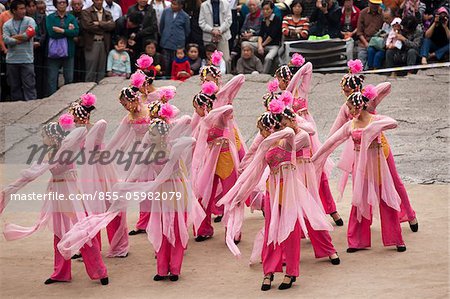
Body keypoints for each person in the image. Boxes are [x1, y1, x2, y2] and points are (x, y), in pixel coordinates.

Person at [0, 118, 109, 285]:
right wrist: (8, 190)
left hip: (72, 194)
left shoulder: (68, 149)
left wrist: (63, 139)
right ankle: (61, 273)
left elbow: (83, 131)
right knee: (59, 232)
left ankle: (100, 271)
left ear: (52, 137)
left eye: (44, 136)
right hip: (57, 195)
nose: (42, 139)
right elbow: (31, 174)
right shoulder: (48, 153)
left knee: (83, 231)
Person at [313, 91, 407, 253]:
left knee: (386, 198)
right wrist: (315, 157)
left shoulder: (375, 120)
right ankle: (357, 241)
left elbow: (393, 123)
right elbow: (331, 142)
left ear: (359, 106)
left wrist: (372, 128)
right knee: (359, 201)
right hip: (361, 167)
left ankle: (395, 239)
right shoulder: (351, 125)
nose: (349, 112)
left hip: (377, 164)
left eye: (350, 108)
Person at [3, 0, 37, 100]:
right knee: (14, 87)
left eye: (24, 8)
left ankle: (31, 107)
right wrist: (20, 39)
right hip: (12, 60)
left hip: (27, 59)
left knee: (29, 86)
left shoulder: (30, 20)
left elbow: (29, 34)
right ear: (14, 10)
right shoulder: (7, 24)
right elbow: (6, 40)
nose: (24, 11)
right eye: (21, 9)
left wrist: (14, 37)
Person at [46, 0, 79, 96]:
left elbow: (76, 32)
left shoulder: (71, 17)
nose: (62, 4)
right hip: (53, 52)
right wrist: (68, 30)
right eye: (59, 2)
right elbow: (51, 33)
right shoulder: (50, 17)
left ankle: (68, 97)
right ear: (55, 5)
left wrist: (61, 30)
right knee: (52, 78)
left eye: (64, 2)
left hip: (69, 51)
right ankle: (52, 98)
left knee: (69, 78)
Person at [80, 0, 115, 82]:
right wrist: (105, 26)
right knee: (90, 70)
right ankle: (88, 92)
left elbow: (112, 25)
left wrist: (99, 23)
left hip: (104, 43)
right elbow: (88, 26)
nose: (99, 2)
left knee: (101, 70)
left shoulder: (107, 13)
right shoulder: (86, 12)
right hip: (92, 43)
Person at [159, 0, 190, 76]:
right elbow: (161, 26)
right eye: (172, 4)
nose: (173, 6)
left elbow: (187, 31)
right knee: (165, 63)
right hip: (166, 42)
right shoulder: (166, 11)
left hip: (178, 45)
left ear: (181, 6)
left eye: (175, 4)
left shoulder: (185, 16)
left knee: (176, 64)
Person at [198, 0, 232, 64]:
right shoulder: (204, 5)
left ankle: (227, 73)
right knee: (210, 59)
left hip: (222, 32)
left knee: (225, 59)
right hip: (209, 33)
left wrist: (219, 30)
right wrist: (212, 30)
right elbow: (201, 22)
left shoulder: (226, 4)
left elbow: (228, 20)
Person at [356, 0, 384, 67]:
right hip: (365, 41)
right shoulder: (362, 13)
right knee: (361, 58)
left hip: (378, 42)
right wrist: (366, 43)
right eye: (373, 4)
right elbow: (359, 32)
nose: (375, 6)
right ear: (369, 3)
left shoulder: (382, 14)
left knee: (376, 55)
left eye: (376, 4)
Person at [257, 0, 281, 74]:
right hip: (263, 44)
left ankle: (263, 74)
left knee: (268, 58)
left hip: (274, 45)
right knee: (246, 45)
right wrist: (259, 45)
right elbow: (260, 35)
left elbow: (271, 36)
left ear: (272, 10)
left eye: (267, 9)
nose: (265, 11)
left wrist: (262, 45)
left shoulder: (276, 19)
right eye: (263, 9)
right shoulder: (263, 20)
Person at [70, 0, 85, 82]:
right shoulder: (69, 15)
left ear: (82, 5)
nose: (76, 6)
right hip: (71, 42)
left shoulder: (85, 14)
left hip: (83, 43)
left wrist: (79, 39)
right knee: (73, 64)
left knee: (83, 64)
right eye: (74, 4)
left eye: (78, 4)